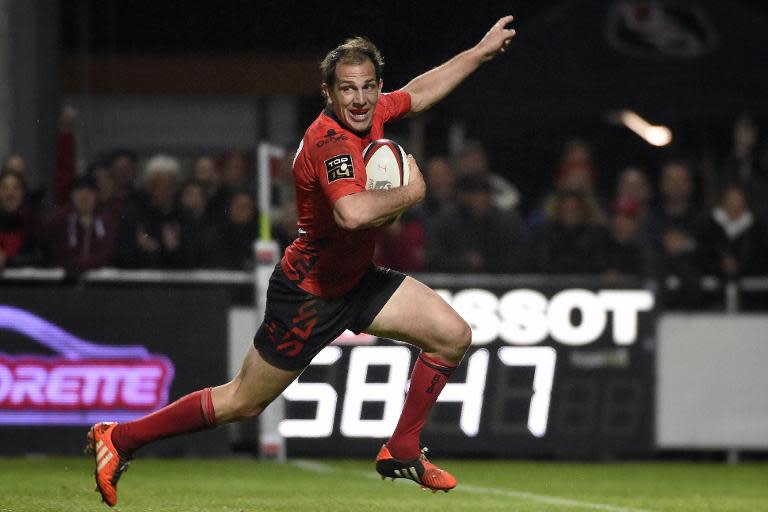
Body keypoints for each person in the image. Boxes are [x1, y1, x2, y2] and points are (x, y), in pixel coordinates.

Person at [86, 16, 517, 506]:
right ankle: (119, 439)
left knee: (452, 335)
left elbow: (418, 92)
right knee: (243, 400)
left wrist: (479, 52)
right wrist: (412, 191)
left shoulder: (371, 113)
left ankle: (402, 447)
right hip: (309, 295)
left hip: (356, 282)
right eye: (348, 89)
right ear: (328, 93)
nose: (360, 99)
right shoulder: (329, 140)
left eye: (369, 87)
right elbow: (351, 214)